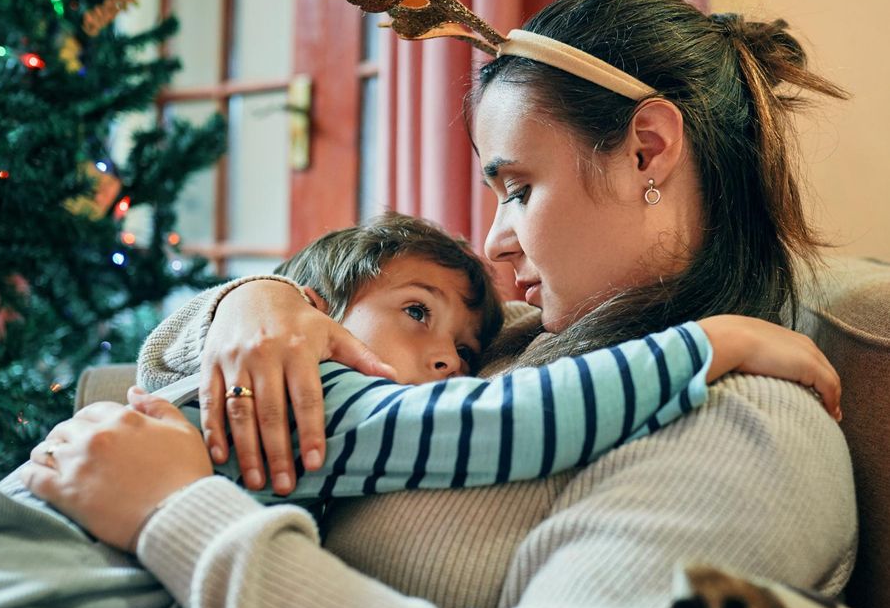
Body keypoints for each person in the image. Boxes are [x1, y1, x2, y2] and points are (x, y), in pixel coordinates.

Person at [0, 0, 857, 608]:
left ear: (647, 148)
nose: (492, 241)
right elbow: (154, 371)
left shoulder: (747, 427)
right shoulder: (525, 337)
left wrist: (175, 517)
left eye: (520, 188)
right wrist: (260, 307)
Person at [165, 212, 838, 508]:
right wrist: (719, 342)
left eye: (463, 351)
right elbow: (512, 420)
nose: (447, 363)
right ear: (313, 316)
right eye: (417, 312)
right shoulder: (314, 394)